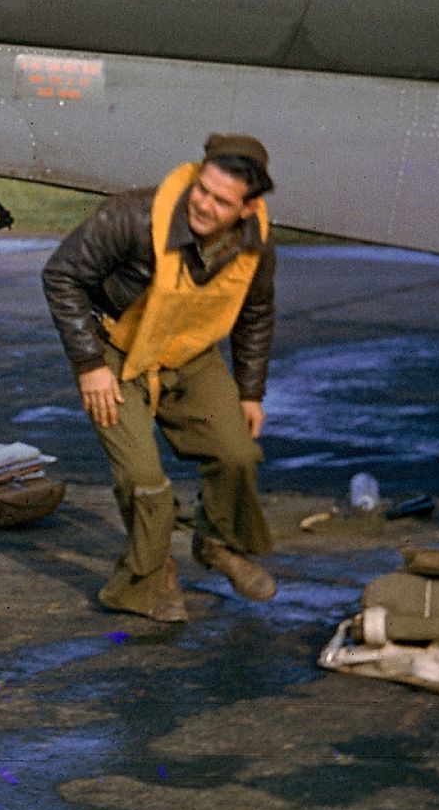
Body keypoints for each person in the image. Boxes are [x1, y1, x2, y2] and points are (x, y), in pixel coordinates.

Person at [41, 134, 280, 621]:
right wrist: (89, 366)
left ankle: (216, 544)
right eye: (202, 190)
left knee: (236, 451)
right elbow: (61, 274)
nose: (204, 205)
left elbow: (256, 314)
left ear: (248, 207)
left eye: (221, 201)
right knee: (145, 481)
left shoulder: (256, 243)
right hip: (116, 352)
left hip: (188, 354)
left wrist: (251, 393)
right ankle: (150, 576)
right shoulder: (133, 215)